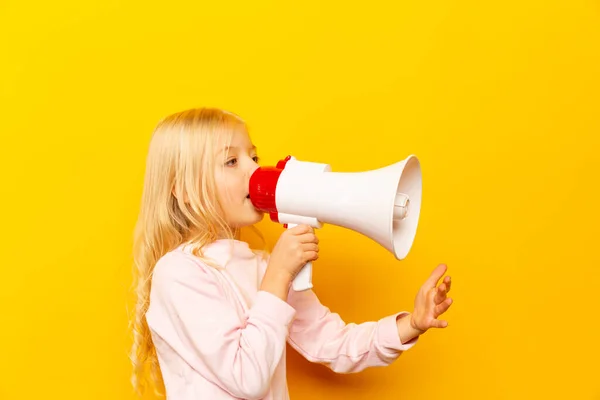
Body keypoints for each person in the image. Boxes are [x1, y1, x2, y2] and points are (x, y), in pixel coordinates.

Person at [129, 107, 453, 399]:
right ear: (184, 190)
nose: (254, 170)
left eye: (253, 157)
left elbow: (332, 342)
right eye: (231, 161)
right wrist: (279, 276)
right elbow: (246, 377)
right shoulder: (179, 273)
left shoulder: (264, 268)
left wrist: (411, 323)